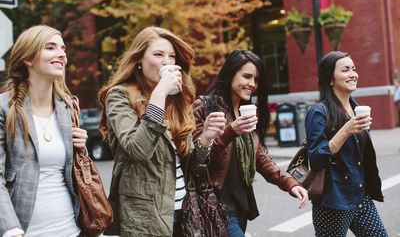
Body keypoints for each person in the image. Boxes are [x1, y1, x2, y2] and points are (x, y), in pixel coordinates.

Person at [98, 26, 226, 237]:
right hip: (145, 218)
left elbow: (193, 167)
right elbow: (137, 149)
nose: (167, 62)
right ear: (139, 59)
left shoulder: (176, 101)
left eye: (172, 56)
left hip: (184, 213)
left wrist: (206, 139)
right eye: (158, 55)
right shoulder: (119, 96)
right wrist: (160, 94)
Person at [192, 49, 308, 236]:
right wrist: (231, 131)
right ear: (230, 74)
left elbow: (261, 157)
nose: (252, 84)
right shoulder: (205, 106)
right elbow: (194, 156)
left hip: (240, 207)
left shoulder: (246, 111)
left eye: (256, 79)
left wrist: (291, 184)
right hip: (215, 205)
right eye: (247, 76)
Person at [0, 25, 88, 237]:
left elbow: (72, 174)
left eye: (63, 48)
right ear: (28, 59)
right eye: (50, 47)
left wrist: (81, 151)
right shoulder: (4, 108)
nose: (61, 54)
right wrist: (11, 230)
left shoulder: (68, 108)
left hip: (71, 230)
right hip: (23, 231)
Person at [305, 51, 387, 237]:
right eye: (345, 70)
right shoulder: (319, 112)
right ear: (330, 79)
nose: (353, 74)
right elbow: (316, 159)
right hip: (333, 200)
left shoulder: (357, 109)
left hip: (360, 196)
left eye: (354, 69)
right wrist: (345, 131)